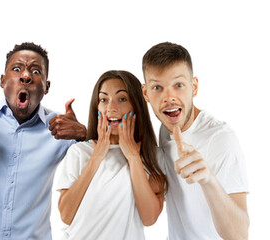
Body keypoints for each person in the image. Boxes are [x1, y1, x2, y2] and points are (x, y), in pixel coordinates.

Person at [0, 42, 88, 240]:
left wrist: (85, 133)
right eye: (17, 69)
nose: (26, 76)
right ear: (2, 80)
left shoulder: (61, 128)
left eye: (35, 71)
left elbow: (108, 156)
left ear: (47, 87)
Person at [141, 42, 249, 239]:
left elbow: (240, 235)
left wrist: (208, 180)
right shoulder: (165, 128)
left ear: (194, 87)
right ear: (146, 93)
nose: (169, 97)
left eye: (178, 85)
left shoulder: (221, 139)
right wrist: (83, 135)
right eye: (158, 87)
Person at [54, 70, 167, 239]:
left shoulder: (153, 156)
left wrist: (133, 158)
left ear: (137, 105)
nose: (111, 108)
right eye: (103, 100)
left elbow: (149, 219)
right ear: (96, 107)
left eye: (122, 99)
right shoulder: (79, 152)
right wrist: (96, 158)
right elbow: (66, 215)